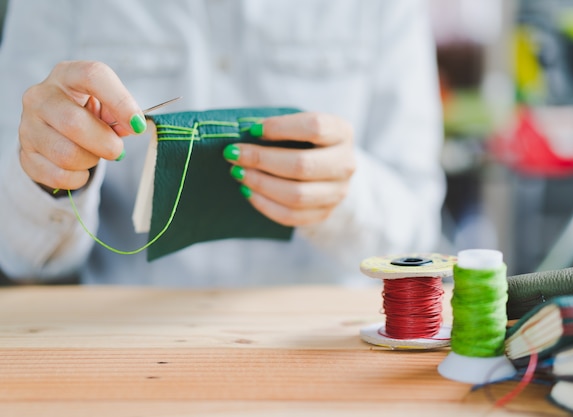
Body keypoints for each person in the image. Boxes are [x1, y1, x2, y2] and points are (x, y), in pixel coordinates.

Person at [0, 0, 445, 287]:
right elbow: (16, 254)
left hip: (328, 351)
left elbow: (421, 238)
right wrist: (51, 177)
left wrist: (346, 194)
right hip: (123, 347)